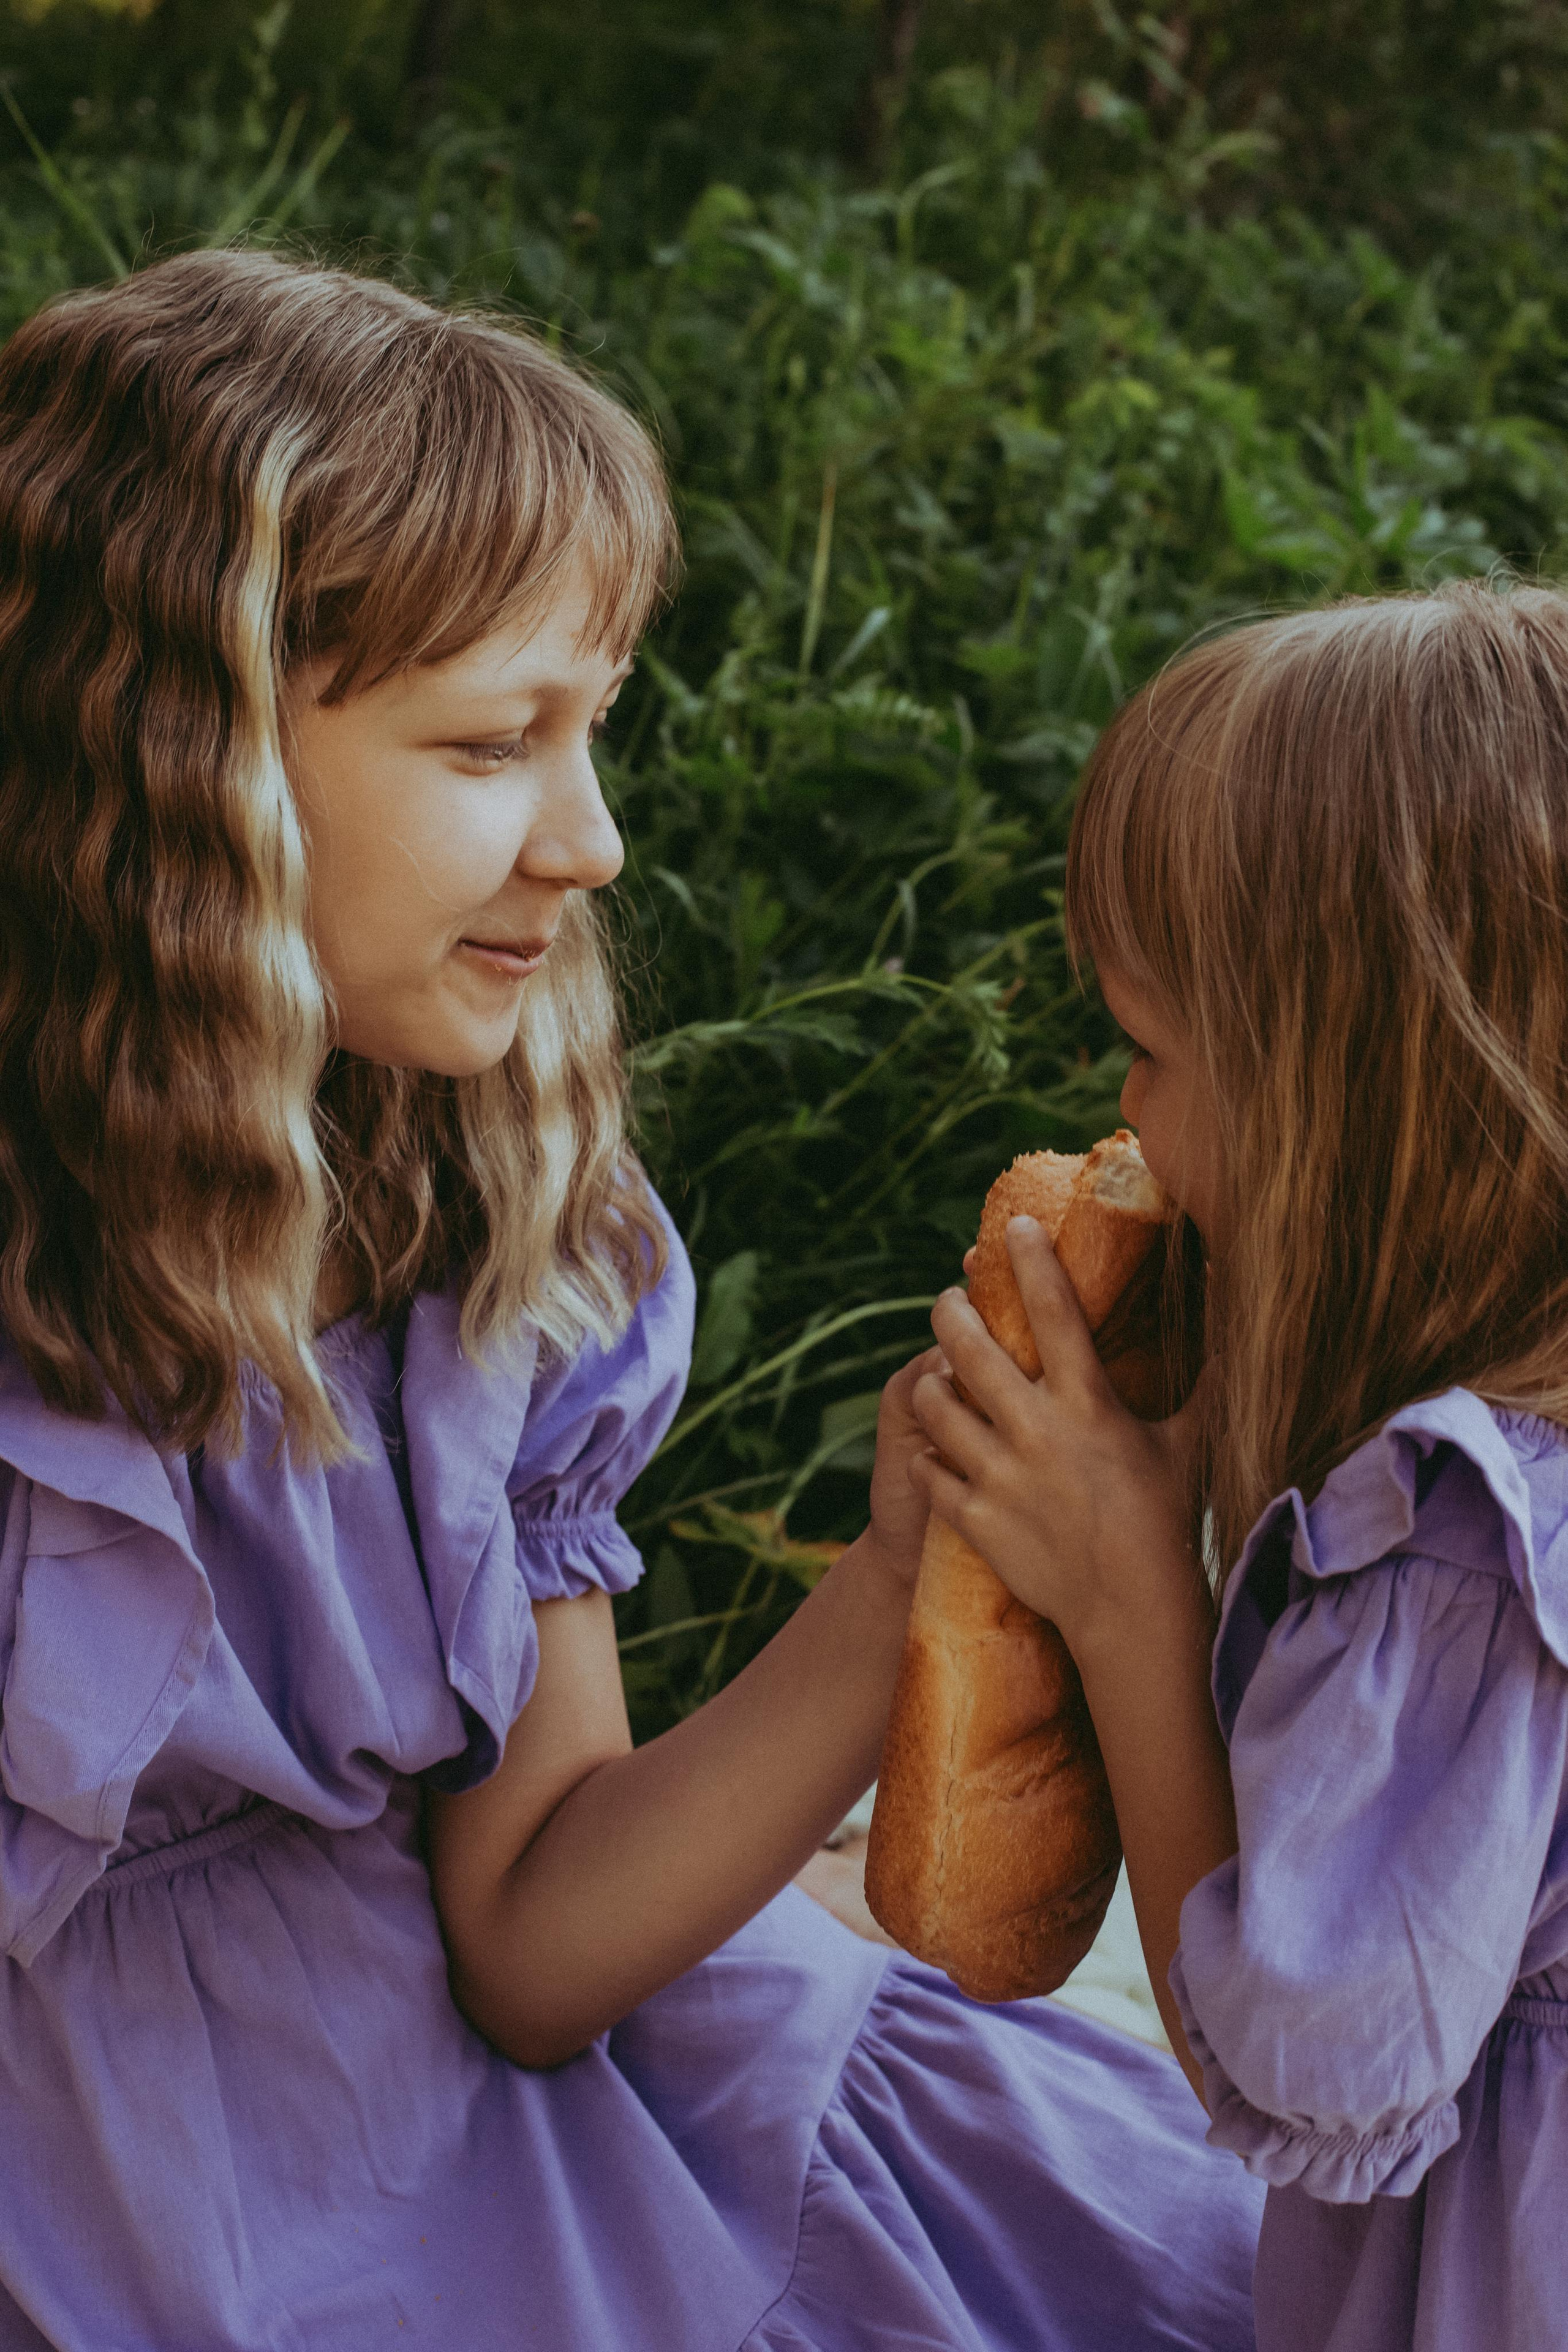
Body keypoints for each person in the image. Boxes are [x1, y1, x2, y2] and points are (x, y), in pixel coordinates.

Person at [0, 248, 1261, 2352]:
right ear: (169, 765)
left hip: (556, 2111)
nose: (591, 839)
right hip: (145, 2204)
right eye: (500, 738)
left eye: (600, 729)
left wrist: (904, 1569)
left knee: (1180, 2277)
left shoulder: (496, 1236)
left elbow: (532, 1938)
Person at [910, 579, 1568, 2352]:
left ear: (1349, 1116)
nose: (1123, 1118)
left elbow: (1291, 2079)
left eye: (1156, 1049)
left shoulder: (1451, 1559)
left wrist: (1131, 1597)